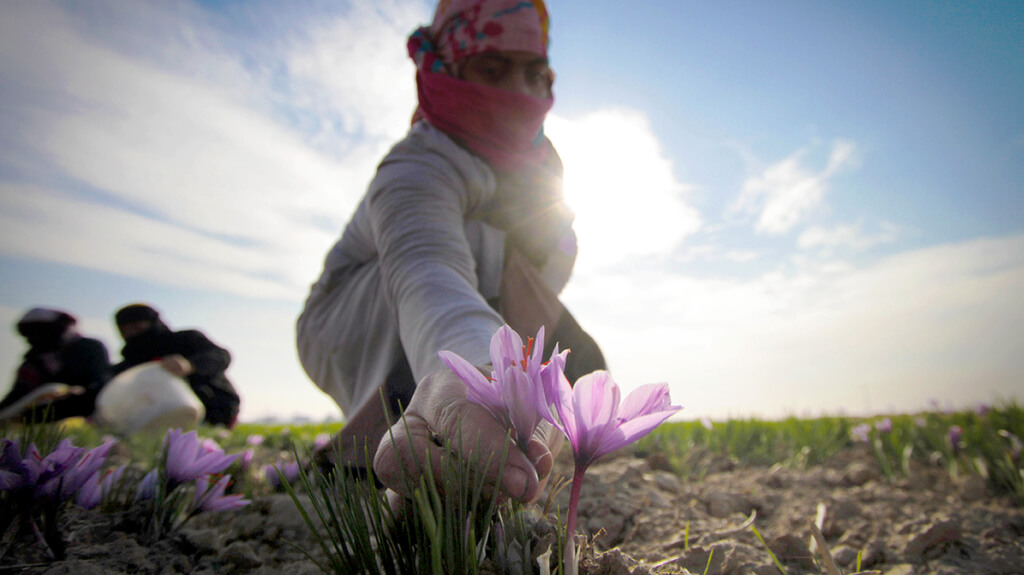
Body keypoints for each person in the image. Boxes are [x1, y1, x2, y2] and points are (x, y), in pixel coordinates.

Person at [296, 0, 605, 503]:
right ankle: (378, 443)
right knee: (483, 255)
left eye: (535, 74)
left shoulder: (544, 173)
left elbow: (536, 294)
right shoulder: (416, 164)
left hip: (463, 310)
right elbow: (427, 271)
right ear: (449, 68)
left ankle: (458, 420)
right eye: (492, 69)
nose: (519, 93)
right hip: (354, 317)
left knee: (585, 368)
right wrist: (483, 371)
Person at [112, 304, 241, 428]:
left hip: (215, 410)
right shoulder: (130, 363)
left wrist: (190, 364)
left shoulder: (186, 339)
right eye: (124, 330)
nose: (131, 333)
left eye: (136, 327)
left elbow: (221, 356)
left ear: (152, 323)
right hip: (156, 419)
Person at [0, 308, 111, 422]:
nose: (31, 339)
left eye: (38, 332)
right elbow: (18, 394)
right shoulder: (34, 360)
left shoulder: (89, 348)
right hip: (42, 417)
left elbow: (99, 387)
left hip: (88, 413)